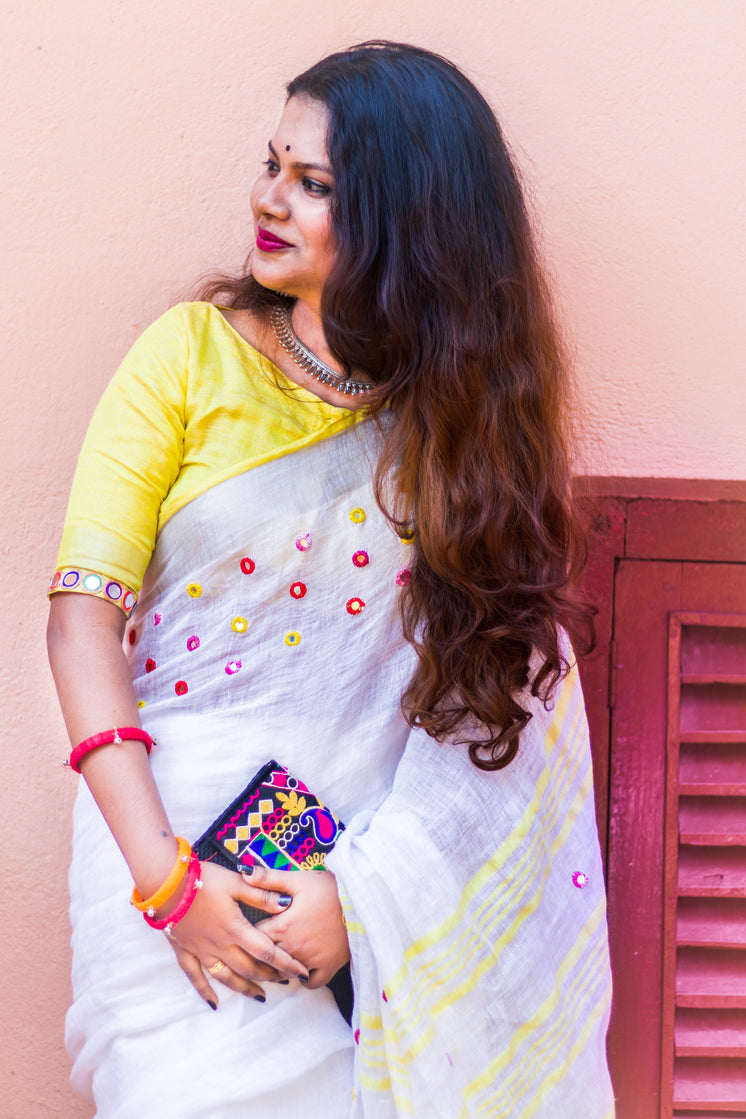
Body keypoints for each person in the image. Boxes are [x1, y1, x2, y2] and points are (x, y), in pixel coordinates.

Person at [47, 40, 614, 1118]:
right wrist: (168, 884)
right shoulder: (186, 358)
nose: (270, 201)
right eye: (272, 167)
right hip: (159, 854)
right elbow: (82, 625)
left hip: (350, 886)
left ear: (407, 220)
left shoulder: (460, 433)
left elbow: (501, 696)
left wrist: (358, 902)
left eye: (314, 186)